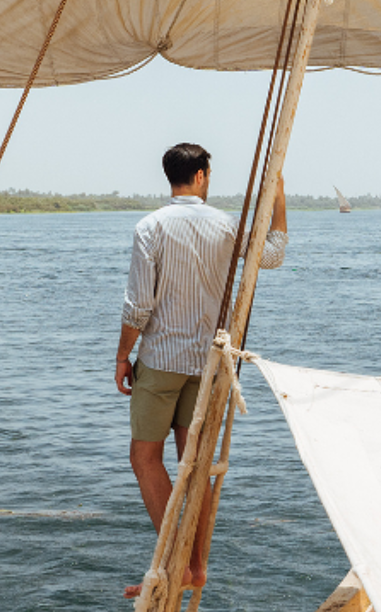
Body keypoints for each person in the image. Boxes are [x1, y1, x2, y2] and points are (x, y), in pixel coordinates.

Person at [115, 143, 287, 597]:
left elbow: (138, 307)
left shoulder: (149, 227)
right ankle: (195, 566)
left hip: (160, 362)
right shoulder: (226, 226)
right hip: (209, 364)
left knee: (143, 458)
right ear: (203, 176)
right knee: (192, 465)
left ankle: (176, 562)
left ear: (169, 176)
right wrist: (280, 197)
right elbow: (272, 254)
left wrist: (121, 357)